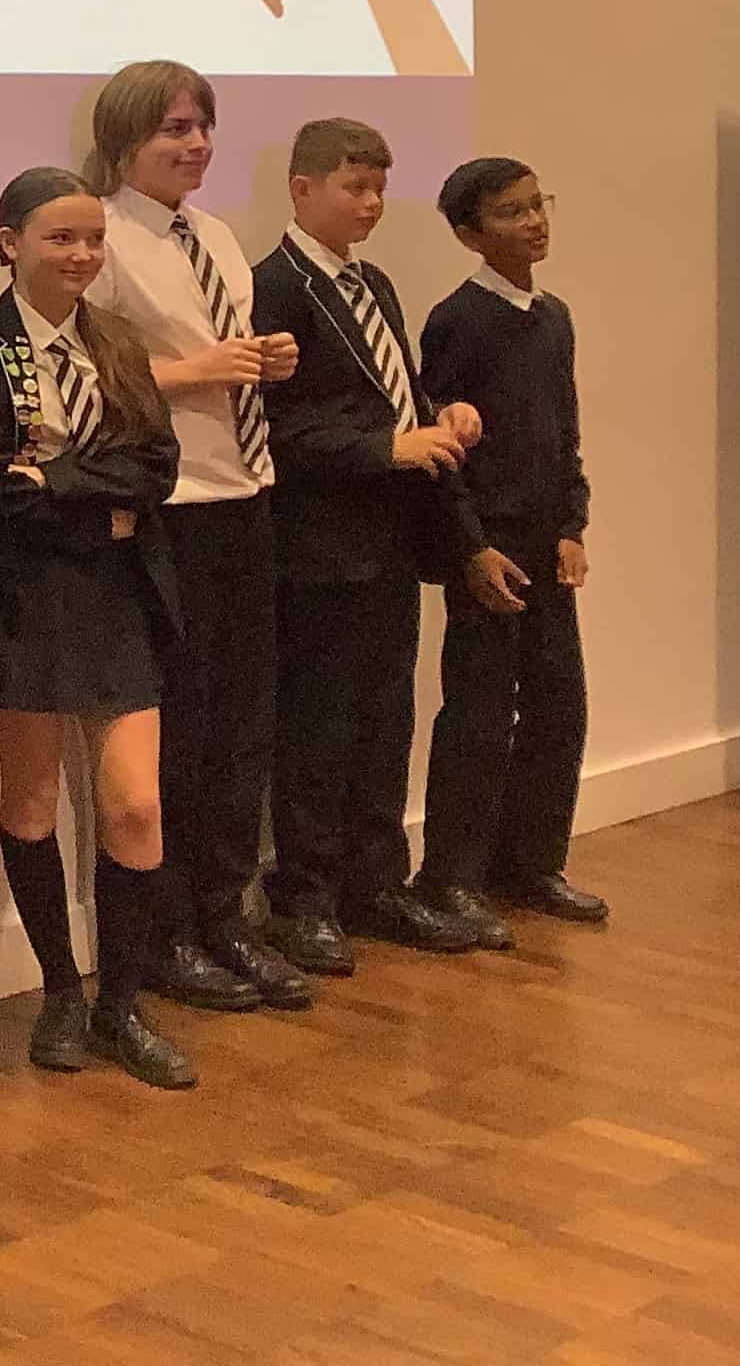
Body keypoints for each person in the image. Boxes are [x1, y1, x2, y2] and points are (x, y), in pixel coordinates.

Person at [81, 62, 311, 1018]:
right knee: (179, 730)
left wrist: (267, 360)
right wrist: (193, 370)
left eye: (204, 126)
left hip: (247, 490)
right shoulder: (105, 235)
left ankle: (227, 918)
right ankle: (165, 931)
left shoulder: (215, 234)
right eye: (174, 128)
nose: (195, 145)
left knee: (241, 725)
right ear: (126, 139)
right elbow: (89, 371)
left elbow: (226, 355)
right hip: (172, 506)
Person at [0, 169, 193, 1089]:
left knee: (134, 802)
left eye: (93, 239)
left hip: (118, 595)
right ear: (10, 241)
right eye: (62, 238)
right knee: (30, 801)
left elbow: (157, 469)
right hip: (22, 598)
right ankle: (61, 992)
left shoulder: (119, 342)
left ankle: (122, 1003)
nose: (83, 255)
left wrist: (57, 483)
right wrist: (94, 499)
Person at [253, 117, 492, 974]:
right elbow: (273, 430)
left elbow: (394, 397)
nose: (371, 204)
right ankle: (305, 896)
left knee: (384, 721)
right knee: (317, 727)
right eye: (354, 187)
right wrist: (384, 448)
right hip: (318, 549)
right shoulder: (271, 289)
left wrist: (437, 420)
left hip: (389, 542)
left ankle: (375, 882)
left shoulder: (375, 284)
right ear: (302, 188)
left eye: (380, 189)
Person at [418, 158, 610, 932]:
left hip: (544, 542)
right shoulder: (458, 320)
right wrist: (470, 547)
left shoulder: (553, 315)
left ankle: (531, 862)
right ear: (469, 233)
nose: (533, 222)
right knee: (480, 712)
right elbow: (443, 449)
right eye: (509, 212)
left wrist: (573, 525)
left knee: (560, 707)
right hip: (489, 549)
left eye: (538, 205)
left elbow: (565, 432)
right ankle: (452, 874)